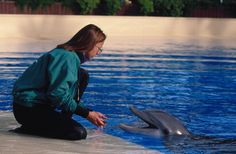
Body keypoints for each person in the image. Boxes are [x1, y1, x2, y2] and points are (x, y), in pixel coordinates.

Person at [12, 24, 107, 140]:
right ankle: (29, 129)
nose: (98, 53)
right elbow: (57, 95)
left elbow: (65, 95)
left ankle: (62, 121)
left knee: (82, 75)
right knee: (78, 133)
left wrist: (89, 111)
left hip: (38, 106)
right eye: (99, 48)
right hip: (28, 109)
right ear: (89, 44)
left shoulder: (70, 56)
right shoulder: (67, 58)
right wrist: (86, 114)